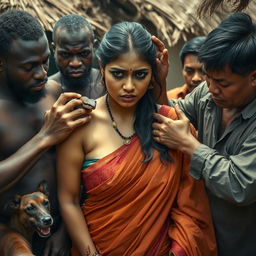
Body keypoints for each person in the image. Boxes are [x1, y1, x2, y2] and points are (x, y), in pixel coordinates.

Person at [56, 21, 217, 256]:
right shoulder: (80, 124)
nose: (129, 86)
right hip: (98, 247)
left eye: (140, 75)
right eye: (118, 74)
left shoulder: (170, 125)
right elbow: (68, 199)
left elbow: (191, 206)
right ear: (101, 67)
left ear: (153, 72)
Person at [153, 13, 256, 256]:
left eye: (222, 82)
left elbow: (240, 184)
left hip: (240, 244)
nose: (210, 88)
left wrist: (190, 145)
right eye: (208, 77)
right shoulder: (208, 94)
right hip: (200, 236)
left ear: (254, 78)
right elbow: (173, 116)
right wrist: (159, 81)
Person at [0, 10, 91, 256]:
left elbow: (80, 166)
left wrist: (65, 230)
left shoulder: (53, 93)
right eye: (29, 66)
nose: (42, 73)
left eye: (44, 61)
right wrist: (45, 137)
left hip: (58, 229)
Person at [49, 14, 106, 98]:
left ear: (93, 47)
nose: (75, 63)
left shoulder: (107, 84)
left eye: (84, 53)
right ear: (54, 49)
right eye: (65, 54)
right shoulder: (45, 91)